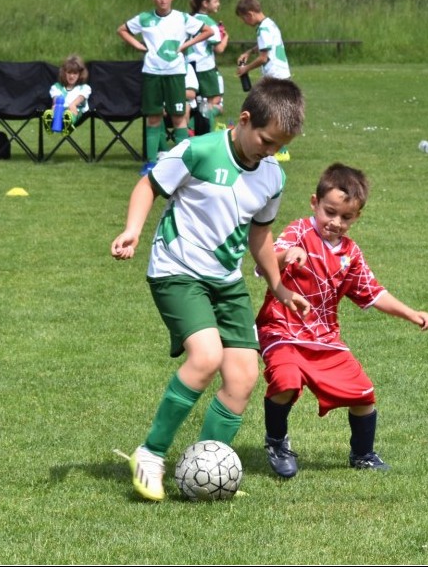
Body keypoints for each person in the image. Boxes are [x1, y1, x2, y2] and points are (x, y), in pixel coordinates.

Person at [110, 77, 310, 502]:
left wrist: (277, 285)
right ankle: (151, 453)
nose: (270, 151)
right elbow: (149, 185)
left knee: (243, 377)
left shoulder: (272, 176)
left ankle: (204, 467)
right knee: (206, 356)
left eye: (279, 145)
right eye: (266, 140)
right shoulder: (198, 151)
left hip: (226, 281)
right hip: (176, 270)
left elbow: (260, 235)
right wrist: (132, 231)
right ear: (243, 120)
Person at [255, 163, 428, 478]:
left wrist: (410, 312)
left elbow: (372, 293)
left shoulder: (350, 254)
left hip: (323, 337)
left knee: (364, 395)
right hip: (280, 327)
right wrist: (287, 256)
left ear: (357, 217)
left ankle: (362, 454)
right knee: (286, 381)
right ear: (314, 203)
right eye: (330, 212)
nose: (336, 222)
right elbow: (268, 256)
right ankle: (277, 443)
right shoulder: (298, 231)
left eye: (346, 217)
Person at [118, 0, 214, 176]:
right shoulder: (145, 18)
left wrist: (186, 45)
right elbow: (122, 30)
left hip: (176, 73)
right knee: (153, 117)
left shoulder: (182, 18)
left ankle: (181, 163)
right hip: (152, 73)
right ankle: (151, 162)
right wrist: (137, 45)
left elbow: (208, 31)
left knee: (179, 117)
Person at [234, 0, 292, 161]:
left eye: (244, 18)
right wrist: (249, 51)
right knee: (278, 112)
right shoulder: (270, 24)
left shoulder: (262, 29)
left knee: (274, 113)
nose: (245, 22)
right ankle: (277, 146)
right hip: (283, 73)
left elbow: (263, 58)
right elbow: (265, 44)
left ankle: (280, 148)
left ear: (249, 14)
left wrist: (245, 68)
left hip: (274, 76)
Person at [185, 0, 229, 134]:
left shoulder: (189, 18)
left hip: (189, 66)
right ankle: (206, 133)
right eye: (215, 1)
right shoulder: (210, 23)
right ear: (205, 3)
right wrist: (225, 37)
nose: (218, 4)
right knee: (212, 101)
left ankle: (191, 127)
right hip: (205, 67)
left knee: (194, 101)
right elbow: (219, 49)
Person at [46, 54, 91, 136]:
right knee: (55, 108)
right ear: (64, 73)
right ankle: (50, 122)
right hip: (60, 111)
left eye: (75, 73)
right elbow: (56, 99)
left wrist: (73, 104)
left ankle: (67, 123)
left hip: (76, 111)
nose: (71, 76)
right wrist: (55, 106)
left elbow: (81, 97)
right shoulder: (57, 87)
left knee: (70, 112)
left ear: (80, 74)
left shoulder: (84, 88)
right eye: (69, 72)